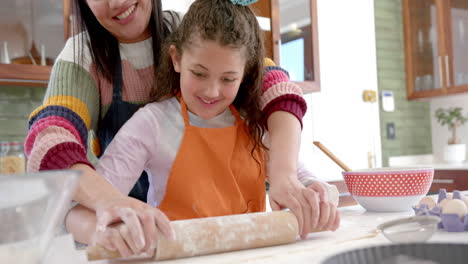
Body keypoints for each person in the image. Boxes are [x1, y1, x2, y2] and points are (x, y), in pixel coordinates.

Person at [24, 0, 330, 257]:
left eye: (227, 79)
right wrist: (106, 208)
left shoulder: (201, 30)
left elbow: (275, 85)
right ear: (177, 59)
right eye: (199, 73)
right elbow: (52, 143)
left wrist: (290, 177)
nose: (212, 92)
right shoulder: (88, 63)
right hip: (148, 243)